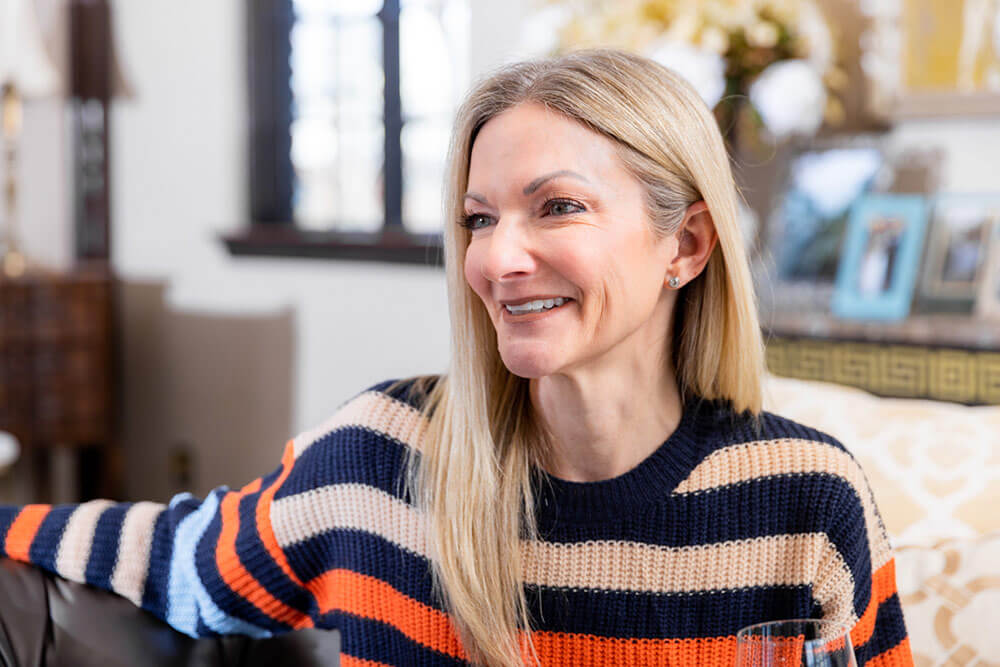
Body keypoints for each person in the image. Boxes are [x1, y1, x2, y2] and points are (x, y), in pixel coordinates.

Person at [0, 49, 910, 666]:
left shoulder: (809, 501)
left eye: (557, 206)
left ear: (687, 246)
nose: (497, 259)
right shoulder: (377, 458)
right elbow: (176, 558)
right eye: (479, 217)